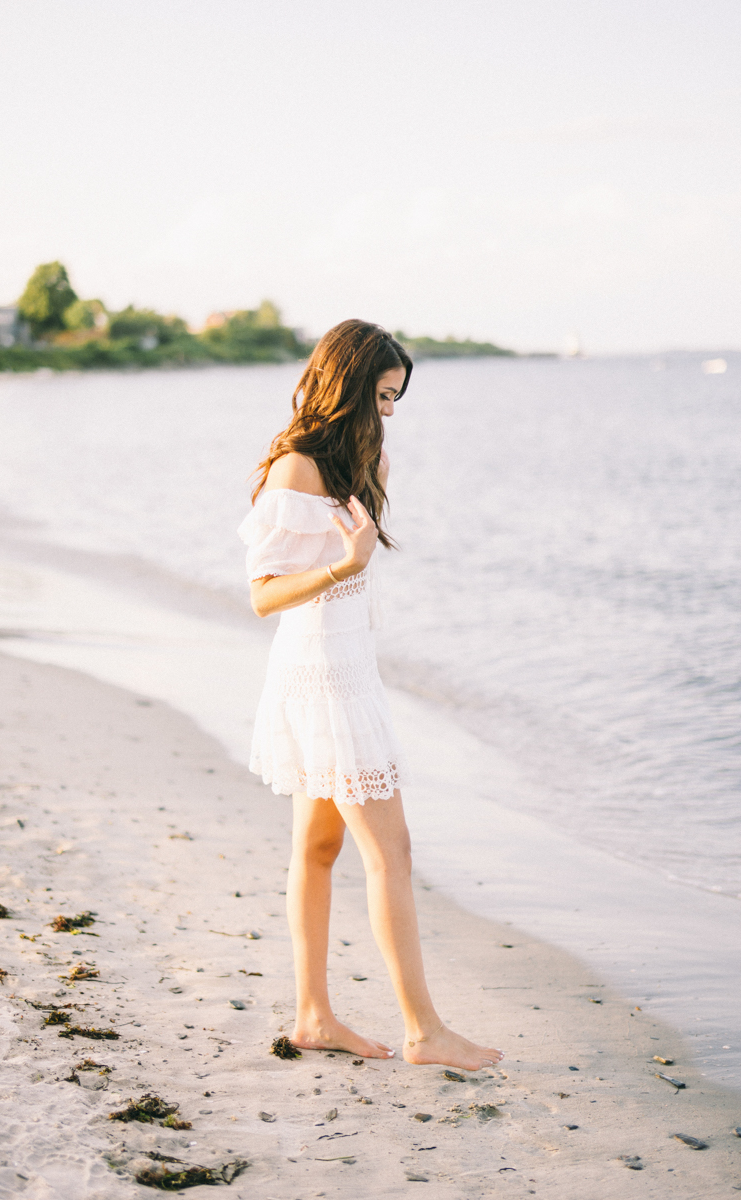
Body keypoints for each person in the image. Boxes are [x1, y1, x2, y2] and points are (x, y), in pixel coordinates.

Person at [238, 319, 503, 1069]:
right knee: (392, 851)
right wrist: (344, 565)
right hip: (321, 676)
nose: (389, 412)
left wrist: (358, 542)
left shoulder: (365, 455)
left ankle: (314, 1018)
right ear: (351, 385)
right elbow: (262, 595)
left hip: (348, 667)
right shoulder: (294, 469)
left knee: (320, 848)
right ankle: (424, 1032)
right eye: (383, 396)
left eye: (396, 400)